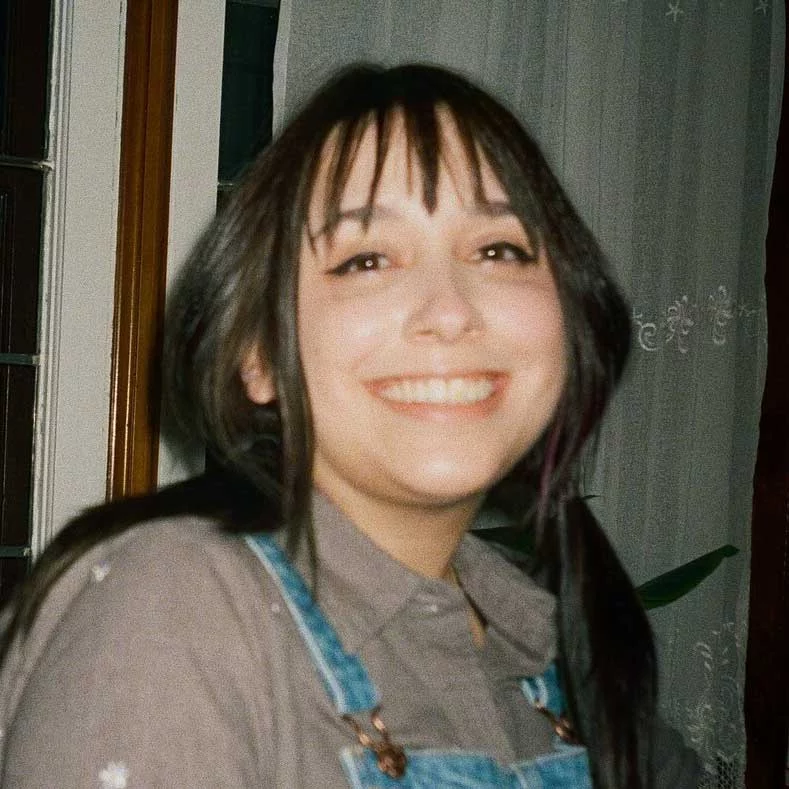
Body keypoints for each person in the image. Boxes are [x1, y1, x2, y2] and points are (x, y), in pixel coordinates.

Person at [0, 64, 699, 788]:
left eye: (498, 250)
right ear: (257, 356)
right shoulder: (175, 610)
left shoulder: (556, 651)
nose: (450, 311)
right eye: (367, 260)